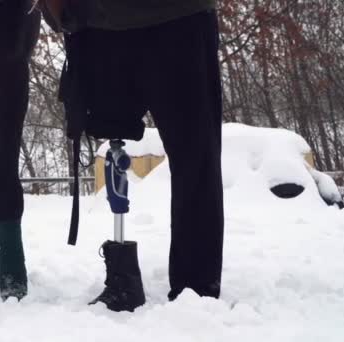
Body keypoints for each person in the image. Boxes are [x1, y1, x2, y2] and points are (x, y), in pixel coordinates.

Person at [41, 0, 225, 305]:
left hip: (177, 19)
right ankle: (126, 272)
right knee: (121, 143)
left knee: (195, 156)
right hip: (103, 25)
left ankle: (197, 290)